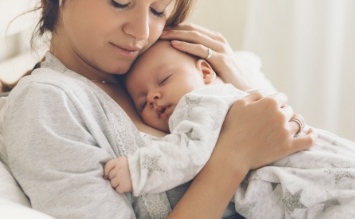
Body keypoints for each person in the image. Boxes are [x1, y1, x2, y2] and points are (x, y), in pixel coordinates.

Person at [0, 0, 316, 218]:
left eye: (160, 9)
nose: (142, 32)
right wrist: (233, 157)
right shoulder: (45, 104)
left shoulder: (168, 64)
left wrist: (237, 80)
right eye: (120, 2)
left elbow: (297, 157)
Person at [105, 40, 355, 218]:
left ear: (205, 72)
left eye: (164, 80)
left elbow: (188, 152)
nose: (153, 97)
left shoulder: (201, 101)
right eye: (142, 100)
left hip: (325, 185)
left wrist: (136, 169)